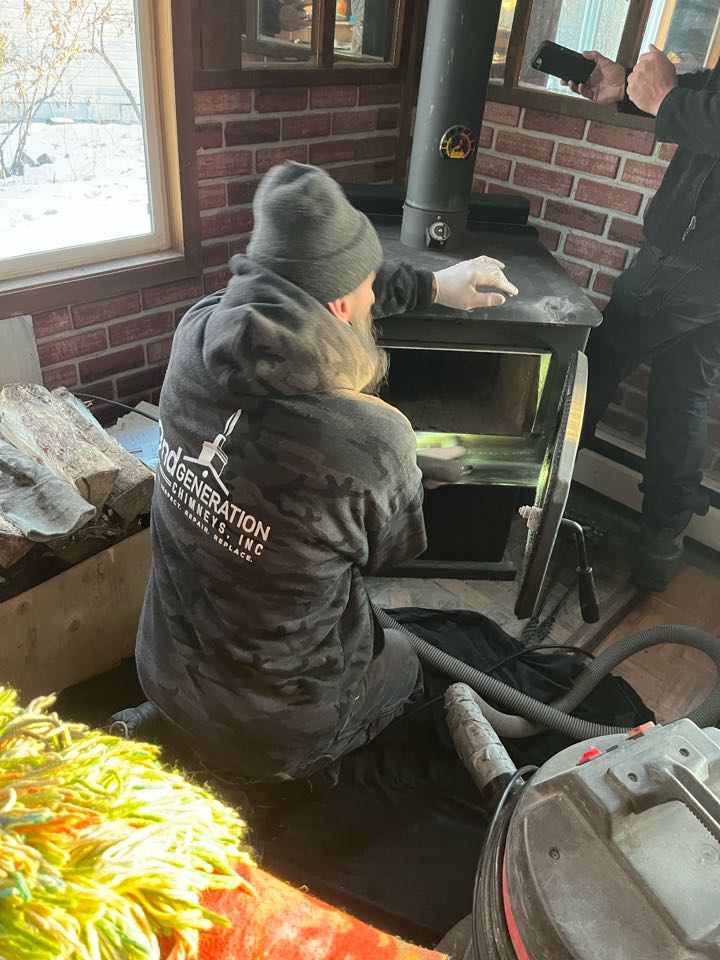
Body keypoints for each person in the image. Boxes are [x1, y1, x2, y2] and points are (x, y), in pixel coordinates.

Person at [136, 161, 517, 787]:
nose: (374, 298)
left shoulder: (194, 335)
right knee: (403, 662)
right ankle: (301, 772)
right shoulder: (378, 438)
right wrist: (410, 475)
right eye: (368, 289)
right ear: (342, 304)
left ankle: (177, 727)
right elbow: (382, 557)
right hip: (278, 727)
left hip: (163, 667)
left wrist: (431, 287)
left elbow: (296, 297)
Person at [567, 45, 720, 590]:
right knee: (684, 392)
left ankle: (520, 503)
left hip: (691, 255)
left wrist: (671, 101)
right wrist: (631, 87)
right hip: (706, 262)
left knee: (592, 366)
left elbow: (698, 107)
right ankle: (661, 543)